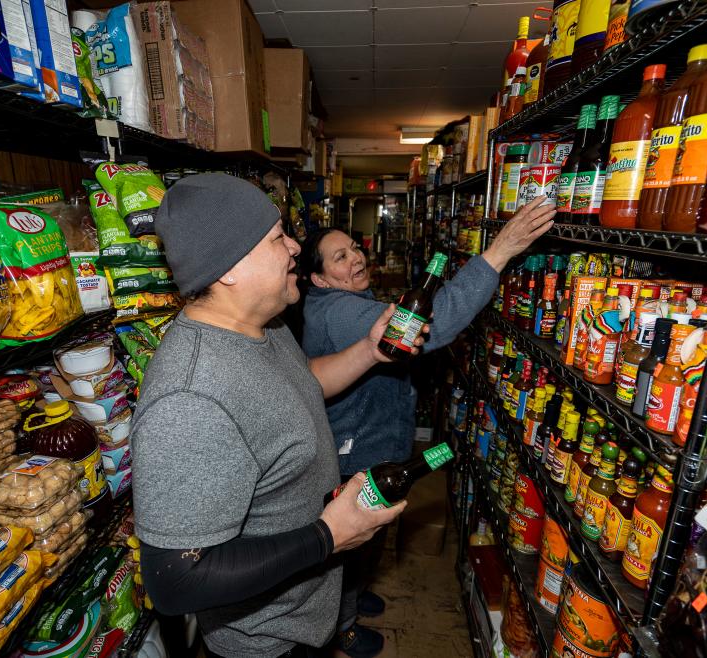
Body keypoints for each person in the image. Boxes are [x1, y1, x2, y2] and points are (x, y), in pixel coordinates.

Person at [131, 173, 427, 658]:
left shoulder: (260, 324)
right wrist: (329, 535)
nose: (294, 247)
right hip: (267, 642)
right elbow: (175, 580)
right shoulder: (189, 402)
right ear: (229, 267)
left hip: (308, 611)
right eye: (276, 238)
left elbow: (300, 382)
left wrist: (371, 352)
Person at [299, 197, 556, 656]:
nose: (356, 257)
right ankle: (342, 625)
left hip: (374, 441)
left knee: (369, 537)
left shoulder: (352, 300)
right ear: (319, 279)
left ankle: (352, 599)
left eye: (354, 249)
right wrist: (497, 252)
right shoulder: (338, 311)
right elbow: (428, 331)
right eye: (340, 257)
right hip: (354, 450)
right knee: (350, 542)